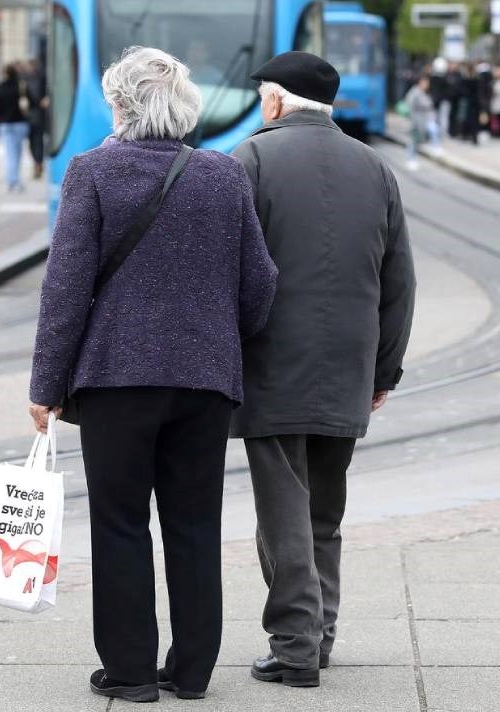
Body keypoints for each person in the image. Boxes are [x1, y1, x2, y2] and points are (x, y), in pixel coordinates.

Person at [27, 46, 277, 702]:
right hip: (203, 382)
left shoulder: (92, 173)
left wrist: (45, 386)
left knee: (119, 524)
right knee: (194, 527)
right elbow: (261, 284)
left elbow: (65, 289)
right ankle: (192, 672)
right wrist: (220, 340)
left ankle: (132, 673)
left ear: (120, 104)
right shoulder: (223, 175)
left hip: (115, 383)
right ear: (186, 107)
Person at [232, 51, 416, 688]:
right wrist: (383, 371)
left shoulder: (251, 160)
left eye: (263, 97)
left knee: (282, 512)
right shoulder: (376, 168)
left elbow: (229, 270)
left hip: (273, 365)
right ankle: (321, 634)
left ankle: (295, 648)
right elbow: (399, 281)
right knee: (324, 512)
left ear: (277, 101)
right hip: (349, 366)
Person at [0, 63, 28, 192]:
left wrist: (2, 113)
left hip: (5, 124)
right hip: (20, 123)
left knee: (10, 153)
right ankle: (15, 179)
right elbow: (32, 101)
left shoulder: (0, 88)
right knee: (17, 153)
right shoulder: (21, 87)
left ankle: (12, 180)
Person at [403, 75, 438, 170]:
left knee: (416, 141)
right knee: (413, 141)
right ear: (420, 82)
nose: (427, 85)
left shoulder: (423, 93)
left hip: (422, 121)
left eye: (427, 83)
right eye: (425, 83)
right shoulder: (415, 92)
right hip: (415, 121)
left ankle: (413, 159)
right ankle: (411, 160)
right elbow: (409, 106)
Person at [24, 59, 48, 178]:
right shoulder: (28, 79)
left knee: (36, 141)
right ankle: (37, 163)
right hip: (34, 115)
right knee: (35, 141)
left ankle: (37, 163)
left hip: (34, 115)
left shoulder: (35, 79)